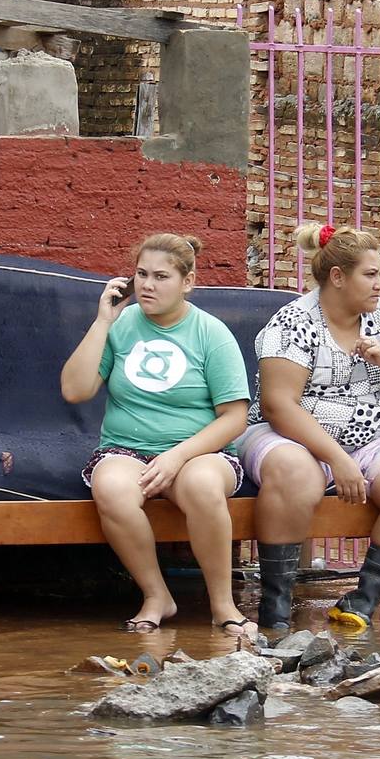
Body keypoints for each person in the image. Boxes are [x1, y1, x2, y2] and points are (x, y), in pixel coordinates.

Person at [239, 222, 380, 632]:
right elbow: (280, 406)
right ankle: (275, 608)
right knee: (297, 475)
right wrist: (336, 458)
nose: (379, 284)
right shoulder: (293, 322)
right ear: (337, 277)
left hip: (371, 438)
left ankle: (359, 603)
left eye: (379, 274)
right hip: (287, 436)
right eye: (370, 274)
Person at [61, 233, 258, 638]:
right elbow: (75, 391)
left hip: (200, 452)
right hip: (126, 447)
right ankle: (156, 596)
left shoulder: (211, 333)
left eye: (161, 276)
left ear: (187, 282)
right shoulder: (122, 326)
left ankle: (223, 605)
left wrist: (176, 457)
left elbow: (235, 418)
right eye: (141, 274)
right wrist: (103, 322)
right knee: (111, 487)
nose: (148, 285)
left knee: (203, 485)